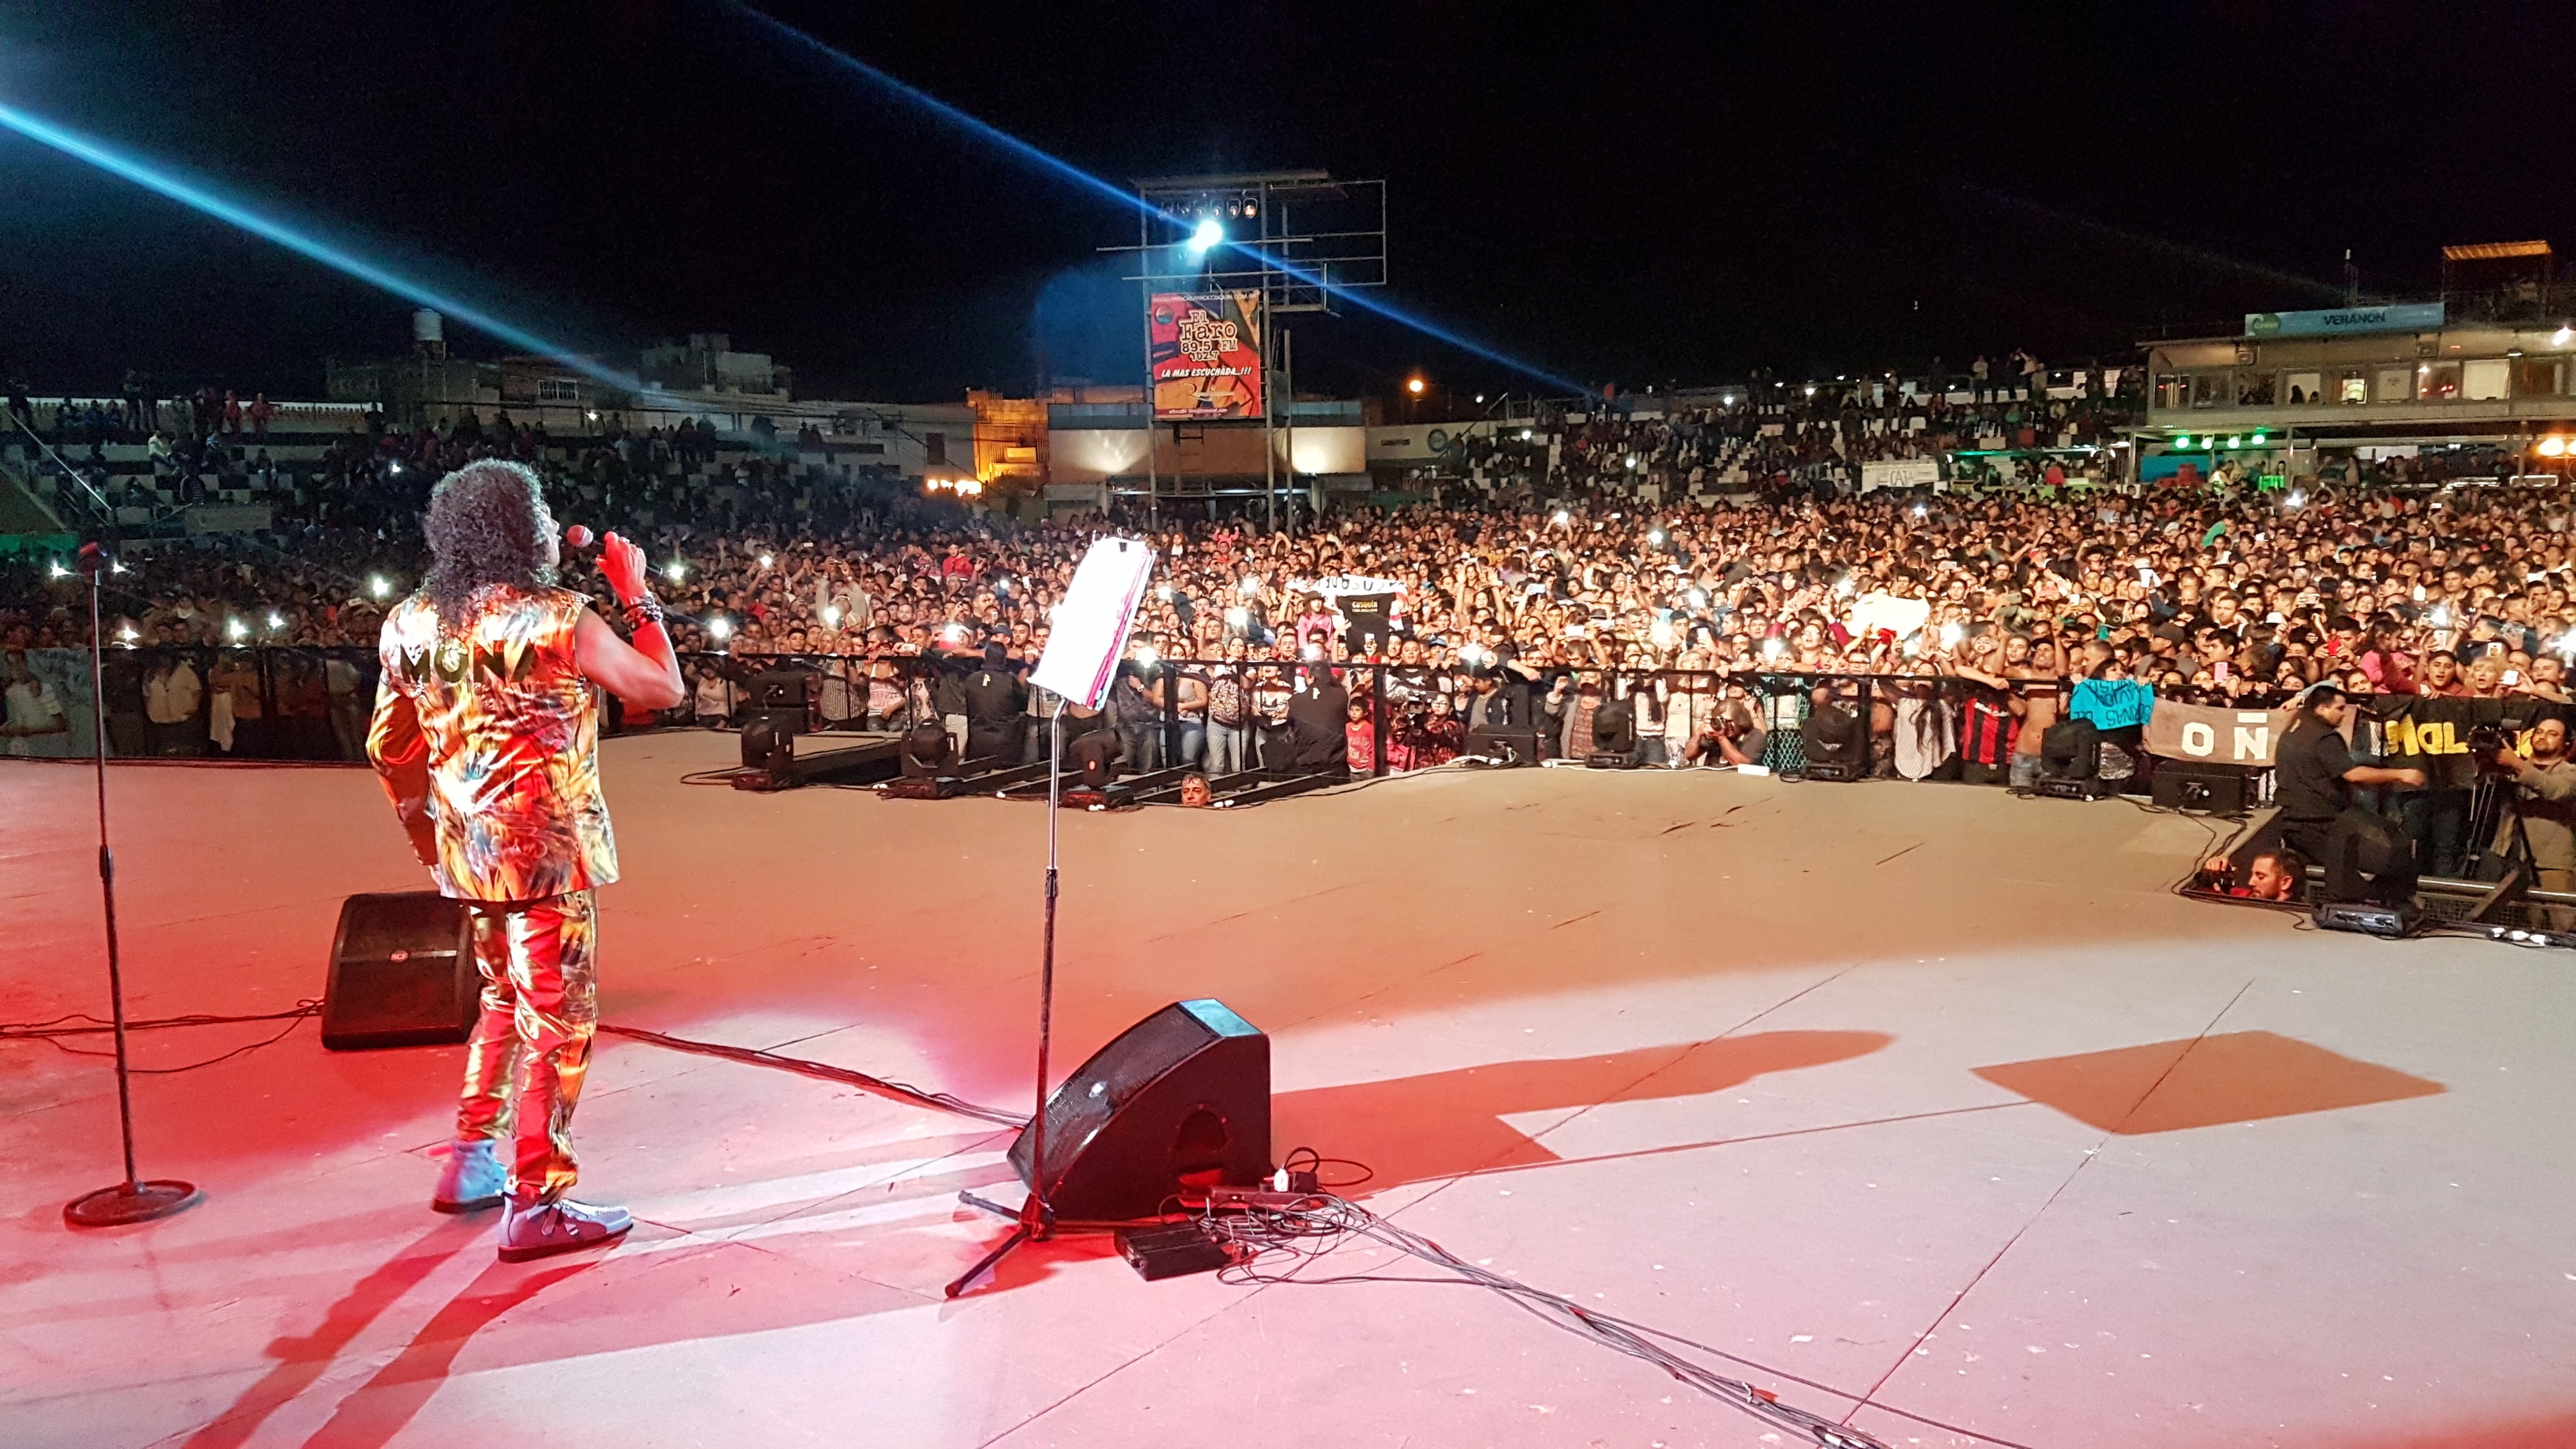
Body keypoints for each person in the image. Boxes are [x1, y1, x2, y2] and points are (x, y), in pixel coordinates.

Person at [367, 459, 683, 1264]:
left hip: (468, 854)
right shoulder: (556, 619)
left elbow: (388, 747)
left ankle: (472, 1159)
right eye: (540, 511)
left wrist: (429, 834)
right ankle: (538, 1201)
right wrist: (636, 594)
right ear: (520, 529)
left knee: (502, 1000)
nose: (551, 525)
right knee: (559, 1021)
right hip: (547, 856)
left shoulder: (408, 624)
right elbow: (659, 688)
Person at [2271, 684, 2425, 866]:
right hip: (2317, 820)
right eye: (2339, 708)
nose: (2344, 714)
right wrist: (2400, 774)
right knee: (2335, 872)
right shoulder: (2324, 737)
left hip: (2289, 816)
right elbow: (2352, 774)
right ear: (2322, 708)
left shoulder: (2292, 730)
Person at [2483, 717, 2576, 928]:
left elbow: (2554, 790)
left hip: (2550, 863)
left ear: (2567, 743)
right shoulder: (2513, 769)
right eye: (2540, 732)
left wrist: (2516, 763)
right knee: (2521, 928)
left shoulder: (2570, 773)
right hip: (2510, 859)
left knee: (2562, 927)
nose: (2544, 737)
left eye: (2553, 734)